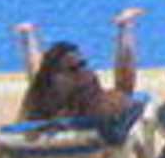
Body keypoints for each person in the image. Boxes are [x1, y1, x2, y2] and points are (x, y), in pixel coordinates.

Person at [14, 7, 143, 124]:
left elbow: (41, 79)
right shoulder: (101, 107)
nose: (85, 72)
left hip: (62, 112)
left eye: (83, 65)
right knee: (124, 88)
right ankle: (125, 26)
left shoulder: (41, 112)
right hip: (87, 120)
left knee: (42, 83)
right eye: (75, 68)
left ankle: (27, 37)